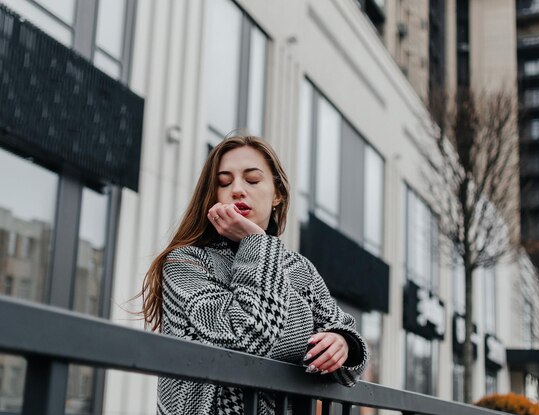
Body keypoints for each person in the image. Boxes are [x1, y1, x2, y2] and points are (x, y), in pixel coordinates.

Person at [141, 135, 369, 414]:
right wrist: (255, 242)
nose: (237, 190)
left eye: (252, 180)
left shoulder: (300, 270)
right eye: (224, 183)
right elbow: (249, 337)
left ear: (277, 194)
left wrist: (343, 344)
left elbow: (347, 352)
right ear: (212, 197)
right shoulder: (186, 263)